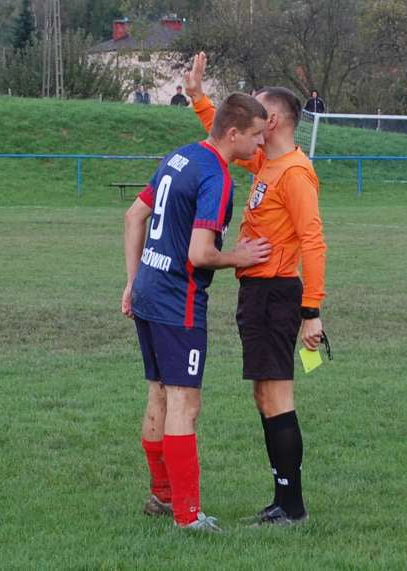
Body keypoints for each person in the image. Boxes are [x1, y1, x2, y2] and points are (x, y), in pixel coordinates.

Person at [184, 52, 327, 526]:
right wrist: (199, 98)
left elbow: (314, 241)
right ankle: (281, 499)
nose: (251, 117)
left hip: (278, 294)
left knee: (278, 396)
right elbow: (229, 137)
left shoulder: (296, 173)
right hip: (258, 294)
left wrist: (312, 311)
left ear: (277, 119)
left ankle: (293, 506)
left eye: (258, 110)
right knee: (264, 397)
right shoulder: (268, 162)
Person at [121, 92, 271, 531]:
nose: (259, 146)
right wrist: (239, 257)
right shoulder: (216, 176)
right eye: (256, 137)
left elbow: (134, 216)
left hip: (149, 288)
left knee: (159, 394)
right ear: (233, 133)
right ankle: (188, 516)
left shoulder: (181, 156)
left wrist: (132, 282)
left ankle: (162, 496)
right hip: (177, 299)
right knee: (185, 402)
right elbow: (201, 253)